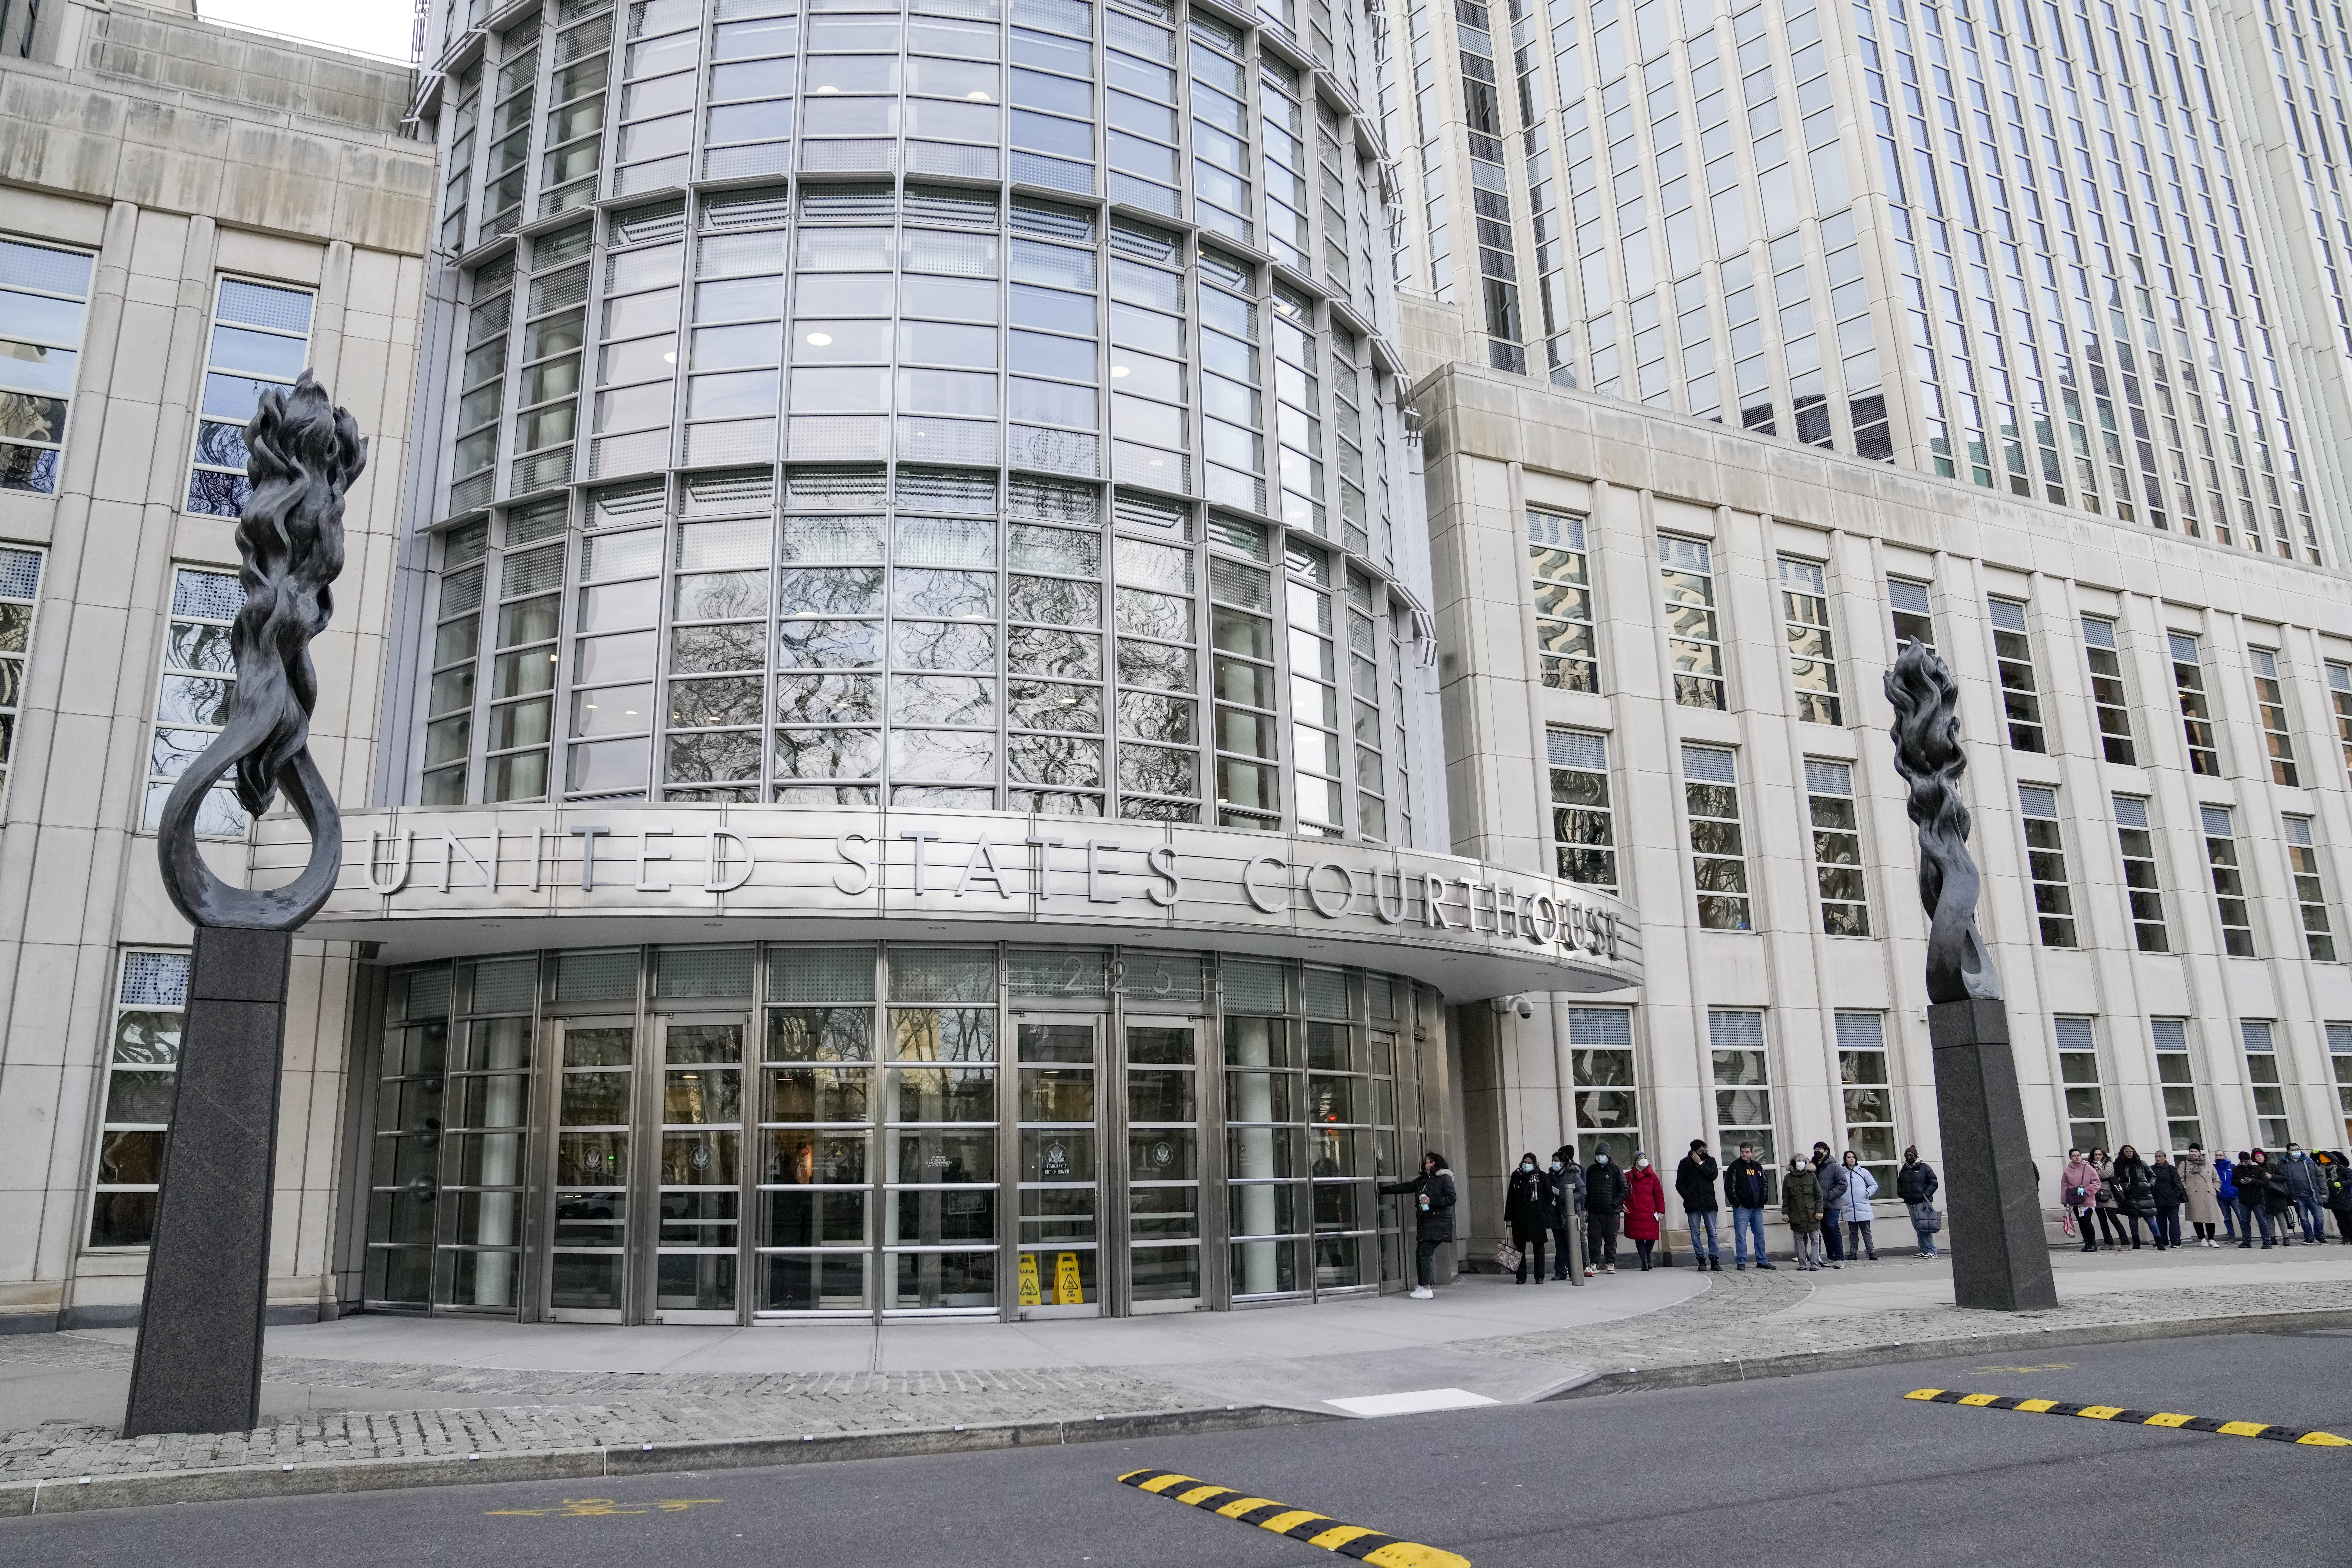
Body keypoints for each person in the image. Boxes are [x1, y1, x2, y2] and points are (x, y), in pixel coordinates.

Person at [1379, 1152, 1456, 1297]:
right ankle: (1422, 1286)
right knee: (1420, 1254)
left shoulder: (1444, 1179)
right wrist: (1381, 1190)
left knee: (1425, 1253)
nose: (1424, 1163)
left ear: (1433, 1163)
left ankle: (1426, 1289)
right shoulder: (1422, 1181)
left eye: (1427, 1161)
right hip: (1426, 1223)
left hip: (1438, 1223)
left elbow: (1452, 1198)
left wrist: (1430, 1201)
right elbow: (1404, 1188)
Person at [1502, 1151, 1558, 1284]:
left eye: (1529, 1163)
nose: (1526, 1165)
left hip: (1537, 1217)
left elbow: (1550, 1196)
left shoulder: (1542, 1176)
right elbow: (1511, 1197)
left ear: (1535, 1164)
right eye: (1525, 1162)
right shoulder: (1517, 1176)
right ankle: (1521, 1277)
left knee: (1538, 1246)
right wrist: (1508, 1217)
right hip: (1520, 1217)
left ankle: (1539, 1277)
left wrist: (1543, 1210)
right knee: (1520, 1247)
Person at [1723, 1142, 1775, 1269]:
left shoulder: (1757, 1166)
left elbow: (1765, 1184)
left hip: (1757, 1208)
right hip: (1742, 1208)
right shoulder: (1735, 1167)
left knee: (1760, 1235)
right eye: (1742, 1152)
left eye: (1747, 1152)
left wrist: (1763, 1201)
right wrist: (1737, 1204)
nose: (1745, 1154)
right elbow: (1730, 1188)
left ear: (1752, 1153)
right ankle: (1741, 1261)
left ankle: (1762, 1261)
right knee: (1741, 1235)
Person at [1675, 1139, 1723, 1272]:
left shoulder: (1710, 1161)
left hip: (1709, 1202)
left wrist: (1701, 1163)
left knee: (1712, 1233)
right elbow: (1679, 1184)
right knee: (1695, 1233)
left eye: (1706, 1150)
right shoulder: (1684, 1164)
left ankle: (1714, 1260)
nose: (1705, 1153)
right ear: (1694, 1152)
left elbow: (1714, 1175)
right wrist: (1688, 1196)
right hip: (1693, 1204)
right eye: (1702, 1151)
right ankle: (1701, 1260)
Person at [1583, 1146, 1627, 1276]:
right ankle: (1594, 1264)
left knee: (1611, 1239)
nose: (1600, 1157)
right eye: (1598, 1155)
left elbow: (1624, 1189)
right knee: (1594, 1240)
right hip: (1595, 1212)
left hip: (1612, 1213)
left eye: (1603, 1155)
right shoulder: (1591, 1170)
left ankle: (1610, 1263)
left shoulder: (1616, 1170)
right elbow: (1588, 1191)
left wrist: (1615, 1203)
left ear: (1608, 1156)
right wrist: (1586, 1208)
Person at [1622, 1151, 1667, 1272]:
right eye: (1641, 1158)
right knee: (1640, 1237)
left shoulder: (1653, 1176)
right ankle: (1644, 1261)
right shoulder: (1629, 1176)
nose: (1644, 1160)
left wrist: (1661, 1211)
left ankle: (1648, 1257)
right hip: (1635, 1210)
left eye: (1645, 1158)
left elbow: (1659, 1194)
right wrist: (1623, 1204)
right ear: (1636, 1162)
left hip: (1650, 1211)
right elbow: (1624, 1192)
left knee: (1652, 1236)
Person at [1895, 1146, 1940, 1259]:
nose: (1909, 1157)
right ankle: (1924, 1250)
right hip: (1910, 1202)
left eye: (1911, 1155)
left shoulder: (1925, 1168)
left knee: (1925, 1225)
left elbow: (1933, 1182)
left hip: (1923, 1202)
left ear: (1916, 1156)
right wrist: (1901, 1193)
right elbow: (1900, 1183)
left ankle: (1931, 1251)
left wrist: (1925, 1194)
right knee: (1917, 1227)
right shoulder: (1904, 1169)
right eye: (1907, 1156)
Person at [1546, 1146, 1584, 1279]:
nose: (1554, 1163)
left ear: (1564, 1163)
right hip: (1555, 1215)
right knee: (1560, 1245)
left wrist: (1567, 1197)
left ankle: (1575, 1271)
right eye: (1553, 1161)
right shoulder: (1549, 1176)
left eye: (1557, 1161)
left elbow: (1582, 1192)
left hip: (1569, 1214)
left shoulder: (1573, 1175)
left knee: (1571, 1245)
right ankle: (1560, 1271)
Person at [1835, 1150, 1880, 1260]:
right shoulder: (1842, 1173)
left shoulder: (1863, 1172)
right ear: (1845, 1160)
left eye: (1854, 1157)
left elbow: (1874, 1185)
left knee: (1866, 1231)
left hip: (1863, 1207)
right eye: (1849, 1157)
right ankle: (1853, 1253)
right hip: (1849, 1207)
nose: (1852, 1159)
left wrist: (1867, 1193)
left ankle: (1871, 1252)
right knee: (1853, 1232)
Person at [1783, 1154, 1825, 1270]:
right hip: (1796, 1214)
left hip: (1812, 1214)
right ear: (1793, 1163)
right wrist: (1785, 1214)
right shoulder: (1788, 1178)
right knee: (1799, 1240)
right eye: (1798, 1161)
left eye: (1803, 1161)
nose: (1801, 1163)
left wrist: (1820, 1211)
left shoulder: (1812, 1176)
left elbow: (1819, 1195)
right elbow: (1786, 1198)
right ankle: (1802, 1264)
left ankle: (1815, 1264)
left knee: (1815, 1239)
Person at [2278, 1143, 2326, 1243]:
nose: (2296, 1151)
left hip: (2313, 1195)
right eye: (2293, 1150)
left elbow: (2320, 1177)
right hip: (2297, 1197)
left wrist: (2323, 1191)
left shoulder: (2308, 1161)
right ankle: (2309, 1238)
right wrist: (2288, 1193)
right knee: (2304, 1218)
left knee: (2319, 1217)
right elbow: (2281, 1180)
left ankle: (2320, 1236)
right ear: (2288, 1151)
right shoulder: (2283, 1163)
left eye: (2298, 1149)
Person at [1811, 1143, 1848, 1268]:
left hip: (1833, 1204)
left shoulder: (1835, 1167)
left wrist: (1830, 1195)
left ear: (1826, 1152)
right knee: (1825, 1230)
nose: (1817, 1151)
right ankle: (1831, 1257)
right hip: (1819, 1205)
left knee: (1832, 1227)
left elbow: (1843, 1184)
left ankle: (1840, 1259)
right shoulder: (1812, 1167)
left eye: (1819, 1149)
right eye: (1815, 1149)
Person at [2058, 1147, 2102, 1251]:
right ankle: (2087, 1243)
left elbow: (2097, 1183)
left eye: (2078, 1155)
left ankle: (2093, 1244)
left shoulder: (2088, 1168)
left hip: (2087, 1200)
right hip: (2074, 1200)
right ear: (2071, 1158)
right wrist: (2065, 1200)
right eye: (2074, 1156)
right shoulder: (2068, 1170)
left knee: (2087, 1222)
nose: (2077, 1158)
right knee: (2081, 1222)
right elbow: (2065, 1186)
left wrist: (2087, 1191)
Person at [2111, 1145, 2154, 1249]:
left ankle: (2159, 1241)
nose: (2129, 1153)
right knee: (2133, 1219)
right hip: (2129, 1195)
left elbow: (2152, 1176)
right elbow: (2114, 1180)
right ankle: (2136, 1242)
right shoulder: (2118, 1165)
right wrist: (2123, 1187)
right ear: (2123, 1153)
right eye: (2127, 1152)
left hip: (2144, 1194)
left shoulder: (2142, 1163)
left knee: (2150, 1218)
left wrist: (2149, 1185)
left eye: (2131, 1151)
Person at [2234, 1149, 2278, 1248]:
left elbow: (2265, 1183)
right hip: (2244, 1200)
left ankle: (2267, 1243)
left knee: (2262, 1222)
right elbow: (2233, 1182)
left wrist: (2252, 1181)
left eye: (2246, 1161)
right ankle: (2246, 1242)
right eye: (2242, 1162)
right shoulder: (2237, 1169)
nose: (2244, 1164)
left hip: (2257, 1199)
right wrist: (2240, 1182)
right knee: (2245, 1222)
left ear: (2250, 1160)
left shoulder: (2258, 1169)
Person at [2180, 1143, 2222, 1247]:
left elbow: (2216, 1179)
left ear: (2200, 1153)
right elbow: (2180, 1179)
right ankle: (2202, 1239)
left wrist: (2215, 1190)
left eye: (2196, 1152)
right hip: (2193, 1195)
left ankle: (2212, 1239)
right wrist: (2187, 1188)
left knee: (2210, 1217)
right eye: (2192, 1152)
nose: (2194, 1154)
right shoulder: (2185, 1164)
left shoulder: (2208, 1164)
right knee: (2197, 1217)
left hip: (2209, 1194)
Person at [2090, 1148, 2129, 1249]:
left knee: (2114, 1219)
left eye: (2100, 1154)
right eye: (2096, 1155)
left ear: (2104, 1155)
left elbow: (2106, 1174)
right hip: (2097, 1196)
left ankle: (2125, 1242)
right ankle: (2109, 1242)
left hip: (2110, 1196)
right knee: (2102, 1221)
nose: (2098, 1156)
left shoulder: (2108, 1164)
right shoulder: (2090, 1165)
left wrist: (2093, 1176)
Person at [2148, 1148, 2185, 1250]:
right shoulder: (2151, 1169)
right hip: (2158, 1201)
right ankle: (2163, 1241)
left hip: (2171, 1201)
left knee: (2174, 1222)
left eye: (2161, 1157)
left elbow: (2179, 1186)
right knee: (2161, 1222)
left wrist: (2173, 1195)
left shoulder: (2171, 1169)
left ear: (2165, 1158)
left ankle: (2176, 1242)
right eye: (2157, 1157)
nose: (2158, 1158)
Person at [2216, 1150, 2241, 1242]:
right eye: (2217, 1155)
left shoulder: (2232, 1167)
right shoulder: (2214, 1168)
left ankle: (2246, 1237)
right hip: (2221, 1197)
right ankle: (2231, 1237)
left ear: (2225, 1156)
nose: (2219, 1157)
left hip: (2234, 1197)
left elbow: (2238, 1180)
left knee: (2241, 1217)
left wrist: (2236, 1191)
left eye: (2221, 1155)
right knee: (2227, 1219)